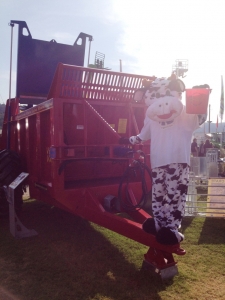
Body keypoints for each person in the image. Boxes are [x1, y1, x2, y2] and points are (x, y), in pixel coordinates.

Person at [129, 75, 208, 245]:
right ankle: (159, 224)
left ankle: (172, 229)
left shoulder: (184, 110)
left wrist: (201, 100)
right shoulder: (151, 116)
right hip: (160, 161)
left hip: (176, 160)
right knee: (161, 195)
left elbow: (198, 118)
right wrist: (134, 139)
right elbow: (144, 134)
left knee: (173, 195)